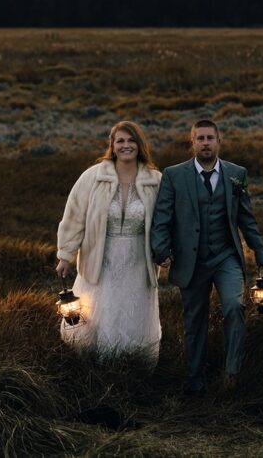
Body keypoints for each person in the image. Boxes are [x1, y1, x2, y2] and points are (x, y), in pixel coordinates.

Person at [150, 119, 263, 395]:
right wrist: (161, 249)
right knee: (194, 320)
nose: (205, 143)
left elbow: (246, 218)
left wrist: (261, 252)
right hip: (191, 260)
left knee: (234, 307)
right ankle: (195, 381)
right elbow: (162, 218)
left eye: (210, 138)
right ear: (192, 142)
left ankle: (232, 374)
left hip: (226, 256)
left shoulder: (237, 173)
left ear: (219, 141)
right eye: (200, 138)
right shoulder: (174, 175)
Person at [55, 120, 162, 363]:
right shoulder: (93, 177)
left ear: (140, 144)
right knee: (100, 312)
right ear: (112, 146)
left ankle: (131, 365)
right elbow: (74, 215)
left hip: (138, 259)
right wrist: (65, 255)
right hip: (100, 257)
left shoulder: (155, 180)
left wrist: (167, 251)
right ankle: (97, 366)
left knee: (132, 312)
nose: (126, 145)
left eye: (131, 140)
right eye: (120, 141)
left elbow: (166, 221)